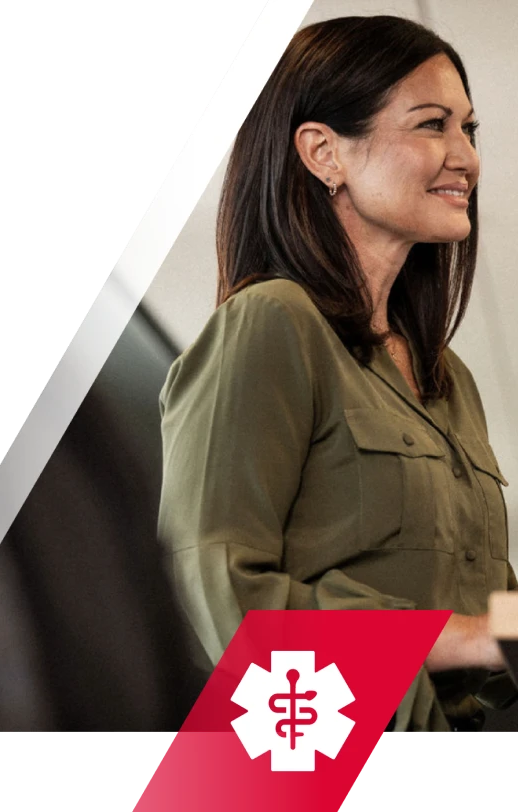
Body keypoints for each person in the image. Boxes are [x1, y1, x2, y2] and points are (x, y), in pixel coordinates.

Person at [157, 15, 517, 732]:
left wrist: (499, 627)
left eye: (468, 130)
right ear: (324, 152)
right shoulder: (271, 324)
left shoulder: (448, 379)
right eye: (431, 125)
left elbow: (479, 593)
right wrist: (464, 638)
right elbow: (210, 581)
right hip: (305, 762)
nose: (464, 157)